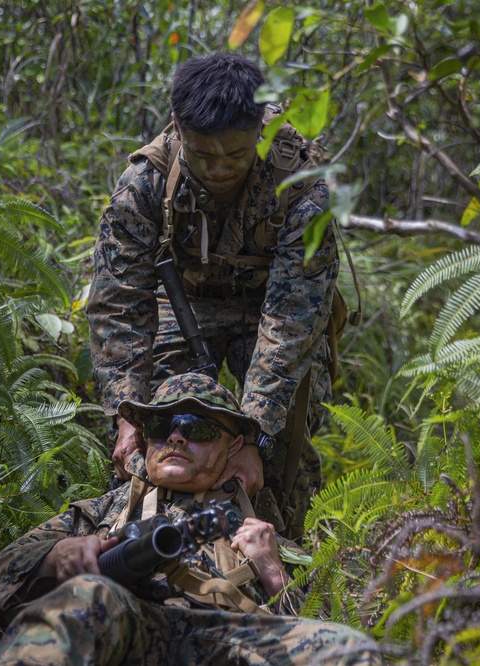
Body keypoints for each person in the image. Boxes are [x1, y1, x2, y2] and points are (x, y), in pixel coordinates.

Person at [87, 52, 340, 539]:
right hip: (184, 305)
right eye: (204, 156)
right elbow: (117, 305)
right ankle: (137, 538)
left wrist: (256, 435)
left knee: (287, 441)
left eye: (236, 156)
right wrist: (126, 413)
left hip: (272, 308)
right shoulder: (144, 183)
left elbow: (292, 320)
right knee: (159, 429)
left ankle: (285, 555)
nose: (220, 169)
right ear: (179, 131)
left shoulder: (302, 187)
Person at [0, 373, 378, 665]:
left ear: (234, 445)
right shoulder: (99, 513)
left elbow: (329, 626)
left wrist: (273, 571)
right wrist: (57, 556)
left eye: (197, 427)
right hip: (128, 632)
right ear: (146, 437)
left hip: (232, 642)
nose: (177, 437)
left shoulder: (264, 537)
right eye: (163, 426)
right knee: (87, 597)